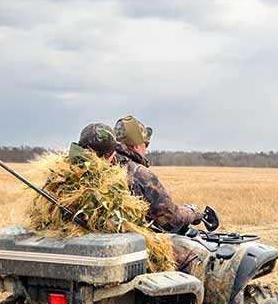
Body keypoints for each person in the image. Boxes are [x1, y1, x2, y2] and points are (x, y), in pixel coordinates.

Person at [77, 118, 211, 278]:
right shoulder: (139, 173)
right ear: (137, 146)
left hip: (90, 241)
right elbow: (170, 220)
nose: (146, 150)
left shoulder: (80, 169)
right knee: (196, 257)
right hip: (131, 247)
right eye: (145, 144)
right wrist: (193, 213)